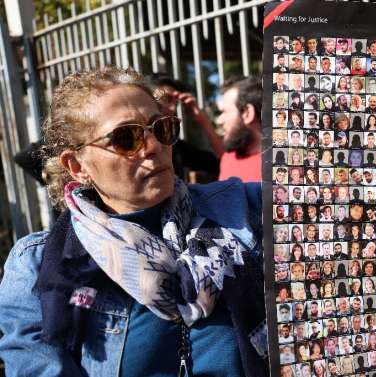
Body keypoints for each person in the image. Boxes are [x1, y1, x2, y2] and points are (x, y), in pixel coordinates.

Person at [0, 67, 267, 376]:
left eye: (162, 128)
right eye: (127, 137)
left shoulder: (241, 207)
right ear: (77, 166)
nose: (153, 146)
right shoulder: (37, 266)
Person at [177, 76, 262, 181]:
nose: (219, 120)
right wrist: (202, 120)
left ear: (247, 113)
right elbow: (222, 153)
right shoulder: (229, 159)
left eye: (224, 112)